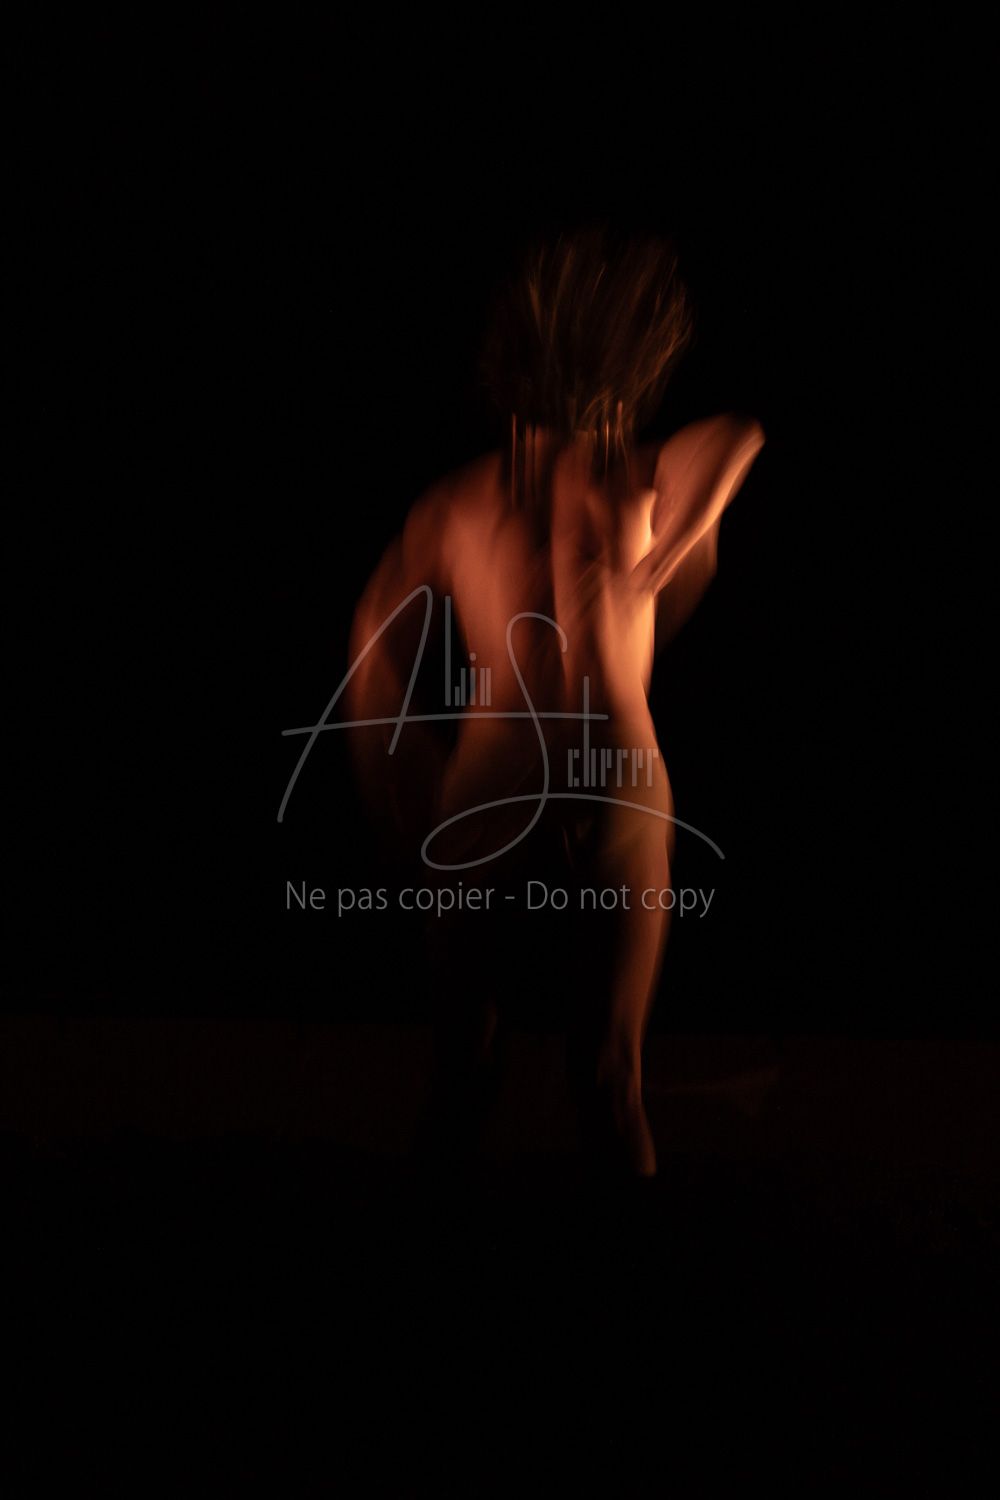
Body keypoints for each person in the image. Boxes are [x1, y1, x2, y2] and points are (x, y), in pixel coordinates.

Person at [346, 229, 764, 1175]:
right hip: (613, 775)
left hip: (494, 785)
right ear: (621, 382)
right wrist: (674, 538)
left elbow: (372, 643)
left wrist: (397, 789)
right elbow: (738, 436)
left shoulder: (459, 500)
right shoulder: (636, 479)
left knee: (467, 1064)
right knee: (608, 1076)